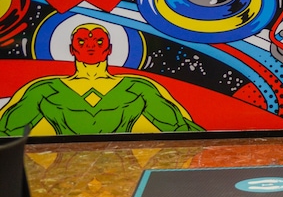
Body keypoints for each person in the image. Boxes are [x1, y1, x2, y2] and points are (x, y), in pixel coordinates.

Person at [0, 23, 203, 135]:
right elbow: (7, 132)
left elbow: (181, 130)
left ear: (109, 49)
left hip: (125, 171)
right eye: (82, 41)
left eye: (98, 41)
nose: (90, 46)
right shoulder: (44, 90)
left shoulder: (138, 88)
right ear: (71, 49)